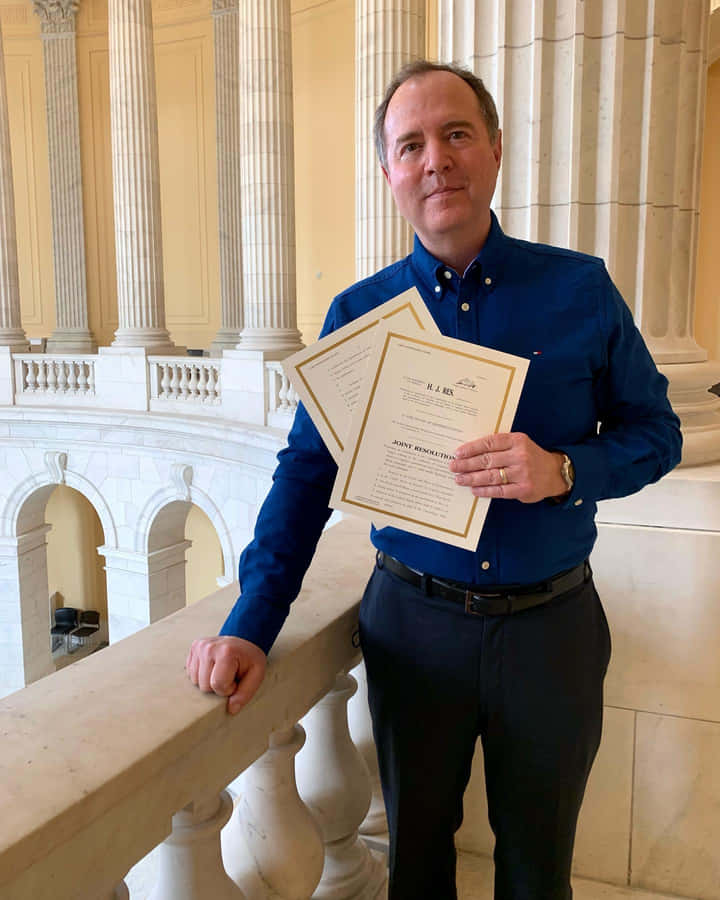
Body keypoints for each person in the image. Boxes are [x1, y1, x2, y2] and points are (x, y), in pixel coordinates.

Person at [187, 60, 682, 899]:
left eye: (455, 134)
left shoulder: (580, 289)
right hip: (413, 631)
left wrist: (564, 468)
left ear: (493, 149)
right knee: (416, 864)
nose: (435, 160)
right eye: (409, 144)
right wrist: (250, 624)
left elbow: (658, 434)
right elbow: (306, 476)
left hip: (551, 632)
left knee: (538, 872)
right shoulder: (359, 315)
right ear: (389, 173)